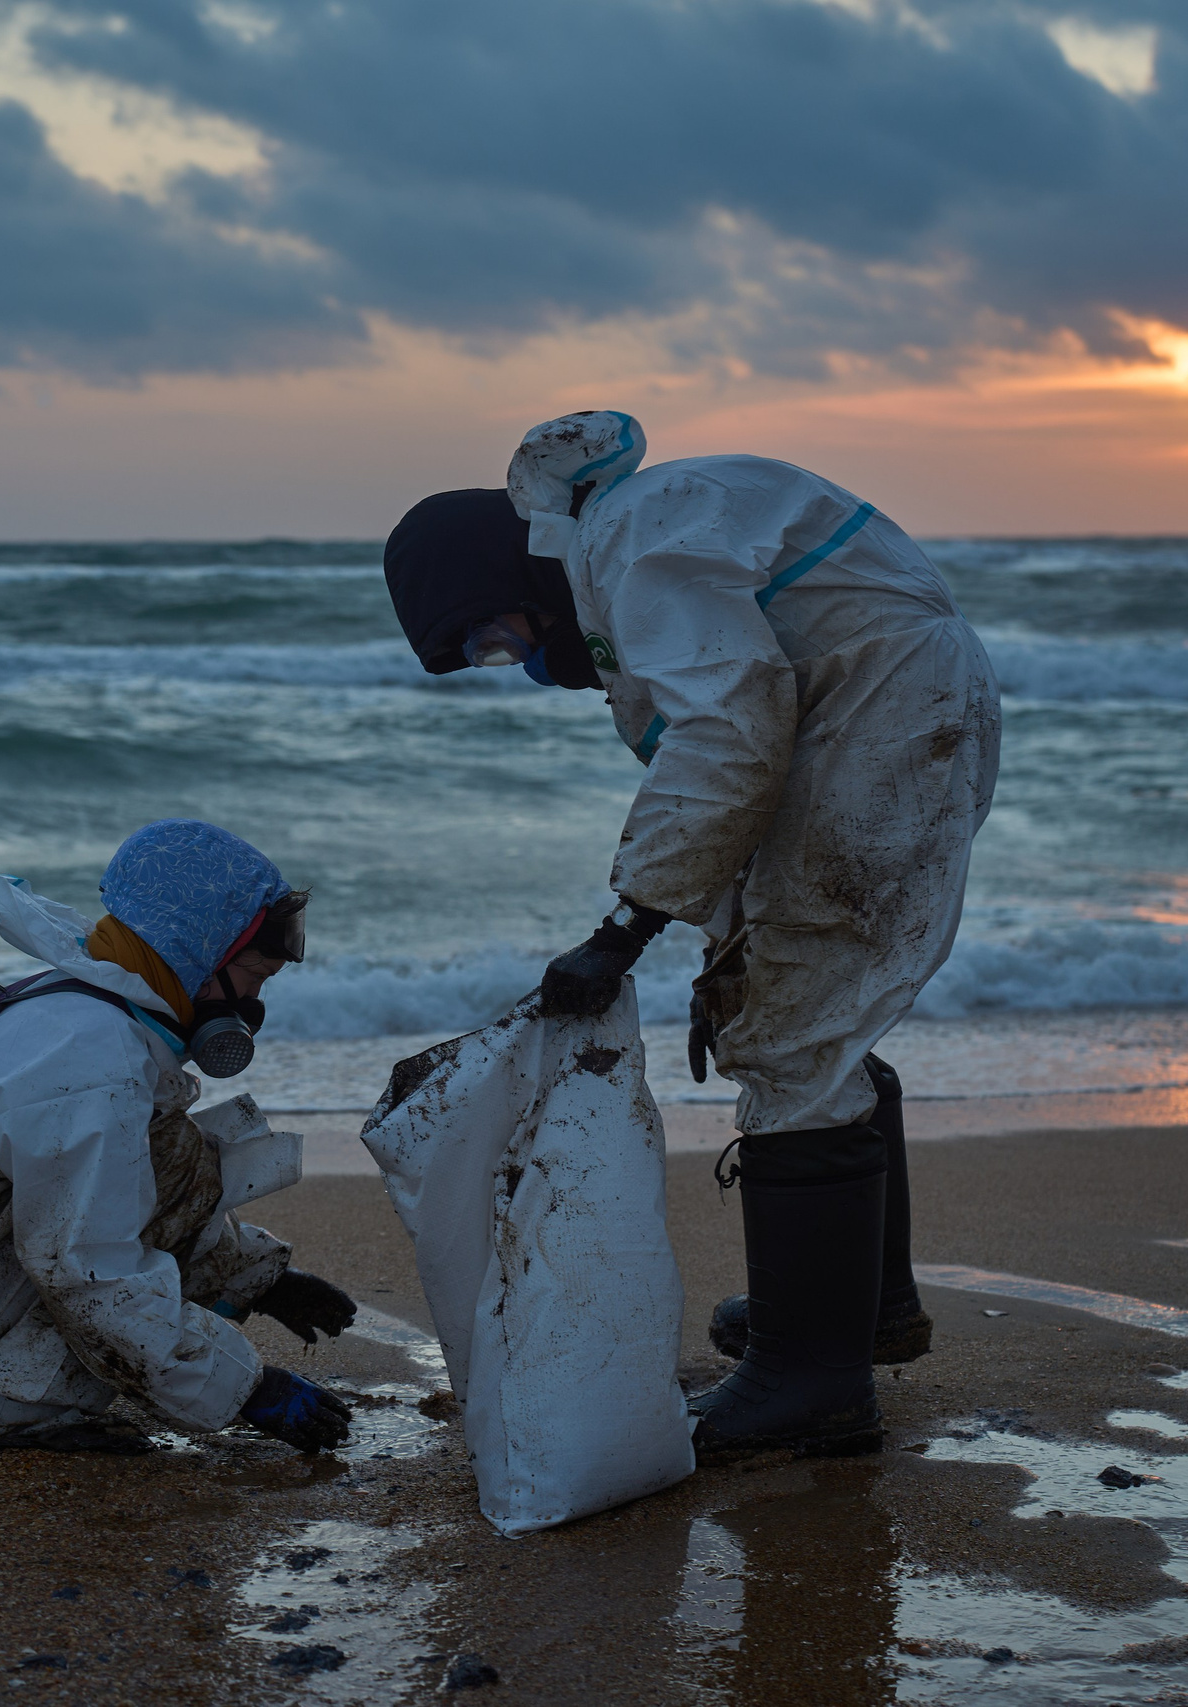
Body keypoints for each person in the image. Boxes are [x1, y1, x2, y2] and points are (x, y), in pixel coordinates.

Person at [382, 415, 999, 1456]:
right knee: (803, 1007)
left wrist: (625, 927)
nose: (519, 662)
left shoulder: (633, 539)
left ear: (515, 569)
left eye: (497, 636)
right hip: (871, 706)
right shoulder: (633, 541)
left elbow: (728, 729)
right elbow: (737, 743)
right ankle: (859, 1314)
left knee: (797, 1027)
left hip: (883, 713)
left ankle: (814, 1383)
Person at [0, 819, 357, 1453]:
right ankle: (8, 1409)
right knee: (92, 1280)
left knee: (174, 1151)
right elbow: (90, 1272)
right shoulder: (94, 1061)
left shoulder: (89, 1001)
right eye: (253, 976)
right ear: (193, 952)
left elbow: (155, 1182)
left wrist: (256, 1278)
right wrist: (245, 1388)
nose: (252, 1004)